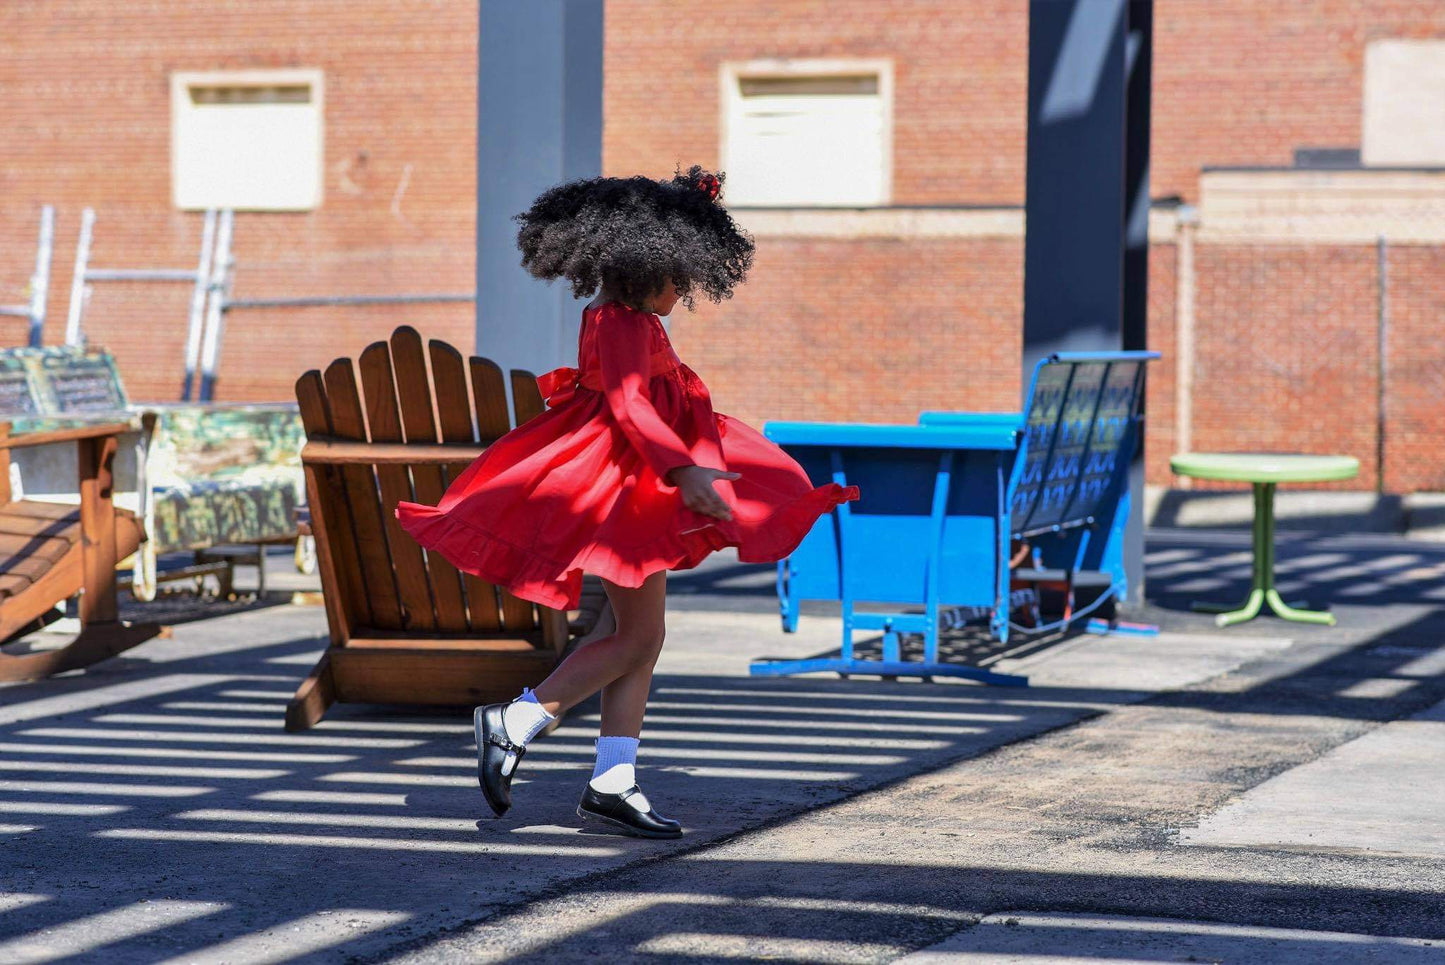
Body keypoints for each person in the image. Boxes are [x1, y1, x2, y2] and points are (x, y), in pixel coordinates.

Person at [395, 166, 859, 838]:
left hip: (641, 477)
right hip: (624, 484)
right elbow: (629, 404)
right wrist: (681, 471)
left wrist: (696, 460)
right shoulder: (617, 321)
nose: (687, 289)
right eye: (680, 276)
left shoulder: (638, 320)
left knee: (641, 635)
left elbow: (673, 399)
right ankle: (515, 721)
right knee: (638, 634)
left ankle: (612, 781)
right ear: (647, 268)